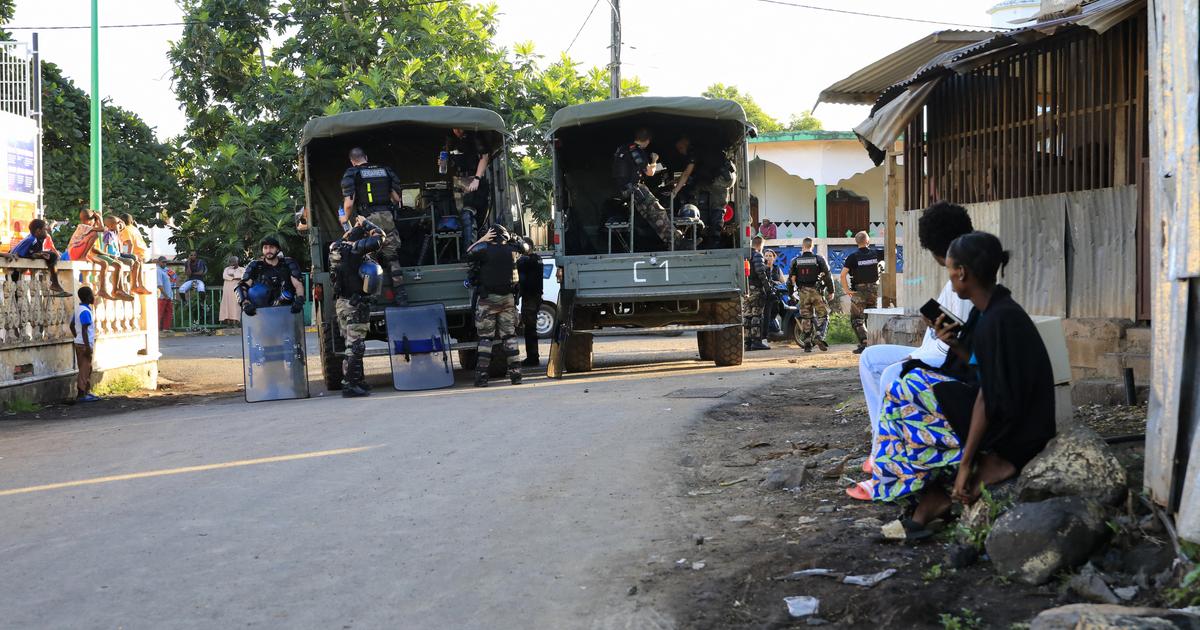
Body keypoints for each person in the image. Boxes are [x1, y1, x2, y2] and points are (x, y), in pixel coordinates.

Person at [858, 231, 1056, 532]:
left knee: (906, 389)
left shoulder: (999, 319)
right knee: (907, 382)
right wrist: (953, 342)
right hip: (1002, 409)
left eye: (950, 269)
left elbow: (988, 397)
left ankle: (940, 486)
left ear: (962, 272)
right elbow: (979, 365)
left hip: (1017, 431)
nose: (949, 277)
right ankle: (927, 491)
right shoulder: (989, 310)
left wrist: (966, 464)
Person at [852, 202, 975, 485]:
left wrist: (920, 355)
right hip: (933, 349)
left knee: (893, 373)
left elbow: (957, 339)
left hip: (951, 360)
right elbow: (945, 323)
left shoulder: (967, 273)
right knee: (870, 358)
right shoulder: (953, 274)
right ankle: (880, 445)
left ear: (936, 251)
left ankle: (893, 461)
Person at [465, 224, 530, 387]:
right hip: (508, 299)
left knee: (486, 339)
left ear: (491, 236)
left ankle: (481, 378)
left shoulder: (484, 250)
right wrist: (514, 238)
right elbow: (527, 247)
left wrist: (482, 239)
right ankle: (516, 376)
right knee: (510, 337)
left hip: (488, 300)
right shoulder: (513, 251)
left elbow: (468, 253)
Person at [341, 147, 407, 305]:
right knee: (392, 258)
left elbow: (349, 203)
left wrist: (345, 219)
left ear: (352, 161)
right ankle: (402, 298)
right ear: (366, 156)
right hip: (387, 216)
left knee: (370, 259)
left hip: (368, 219)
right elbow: (397, 198)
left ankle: (373, 300)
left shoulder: (353, 173)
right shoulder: (385, 171)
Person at [328, 216, 384, 397]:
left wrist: (354, 230)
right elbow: (380, 237)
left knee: (350, 346)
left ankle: (356, 380)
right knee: (356, 346)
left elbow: (345, 237)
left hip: (343, 302)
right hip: (353, 304)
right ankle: (351, 385)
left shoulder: (336, 248)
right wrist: (367, 224)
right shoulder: (354, 250)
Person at [612, 127, 686, 248]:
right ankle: (678, 241)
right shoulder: (637, 151)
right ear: (647, 141)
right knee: (659, 212)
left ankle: (672, 242)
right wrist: (654, 160)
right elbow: (650, 172)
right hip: (635, 189)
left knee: (650, 216)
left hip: (625, 190)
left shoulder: (623, 149)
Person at [444, 127, 494, 245]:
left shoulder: (475, 137)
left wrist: (476, 179)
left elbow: (484, 157)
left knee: (468, 214)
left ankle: (471, 249)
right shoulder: (450, 140)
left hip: (472, 178)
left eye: (460, 128)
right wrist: (443, 163)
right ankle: (468, 247)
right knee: (462, 215)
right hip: (458, 180)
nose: (458, 131)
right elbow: (450, 161)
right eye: (455, 129)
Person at [236, 236, 305, 316]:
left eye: (271, 247)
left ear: (278, 249)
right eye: (265, 248)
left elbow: (298, 284)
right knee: (256, 291)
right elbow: (242, 286)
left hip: (287, 310)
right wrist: (245, 304)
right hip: (261, 313)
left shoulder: (288, 264)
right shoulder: (255, 266)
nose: (268, 250)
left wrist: (300, 299)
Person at [788, 237, 834, 352]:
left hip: (803, 293)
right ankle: (818, 336)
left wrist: (791, 294)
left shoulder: (795, 261)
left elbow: (791, 280)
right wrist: (831, 290)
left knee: (806, 317)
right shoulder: (819, 259)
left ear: (802, 247)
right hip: (817, 291)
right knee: (823, 315)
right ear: (812, 246)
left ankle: (807, 343)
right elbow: (828, 275)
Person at [840, 231, 882, 354]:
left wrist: (847, 290)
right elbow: (892, 252)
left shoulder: (853, 257)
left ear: (856, 242)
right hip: (874, 290)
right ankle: (874, 342)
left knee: (857, 319)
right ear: (868, 241)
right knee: (872, 317)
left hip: (859, 291)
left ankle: (864, 343)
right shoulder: (876, 254)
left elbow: (843, 275)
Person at [4, 218, 70, 296]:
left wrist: (39, 255)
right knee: (15, 300)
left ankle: (55, 283)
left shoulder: (36, 239)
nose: (47, 231)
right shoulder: (31, 240)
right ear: (38, 231)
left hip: (17, 274)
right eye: (45, 229)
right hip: (14, 273)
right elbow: (18, 254)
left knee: (52, 256)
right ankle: (55, 284)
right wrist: (36, 255)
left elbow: (30, 252)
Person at [693, 144, 736, 248]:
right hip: (721, 188)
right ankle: (714, 241)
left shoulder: (711, 159)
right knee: (717, 215)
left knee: (715, 214)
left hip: (718, 186)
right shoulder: (722, 158)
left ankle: (711, 241)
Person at [70, 286, 100, 403]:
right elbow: (84, 330)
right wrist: (87, 346)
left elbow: (72, 325)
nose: (93, 296)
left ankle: (86, 391)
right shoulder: (86, 311)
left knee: (87, 368)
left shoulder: (79, 309)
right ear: (88, 297)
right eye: (92, 294)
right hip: (84, 344)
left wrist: (76, 337)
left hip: (79, 342)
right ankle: (81, 394)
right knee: (85, 369)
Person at [516, 237, 543, 367]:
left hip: (531, 297)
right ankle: (532, 357)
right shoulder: (534, 259)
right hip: (531, 297)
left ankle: (533, 357)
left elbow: (522, 264)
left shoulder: (532, 260)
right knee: (529, 328)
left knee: (530, 328)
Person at [745, 236, 774, 351]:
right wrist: (768, 289)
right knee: (756, 315)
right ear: (760, 245)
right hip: (756, 288)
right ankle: (756, 341)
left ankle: (747, 342)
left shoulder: (745, 255)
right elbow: (761, 273)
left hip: (746, 289)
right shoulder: (757, 255)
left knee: (747, 315)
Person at [117, 214, 153, 295]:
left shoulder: (125, 229)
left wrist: (129, 256)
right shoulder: (134, 228)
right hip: (144, 253)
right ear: (132, 221)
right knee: (136, 263)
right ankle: (138, 285)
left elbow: (130, 244)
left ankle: (138, 285)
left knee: (135, 262)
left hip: (139, 254)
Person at [219, 255, 245, 325]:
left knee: (236, 305)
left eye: (234, 261)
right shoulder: (226, 269)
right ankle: (228, 322)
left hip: (237, 290)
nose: (232, 263)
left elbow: (243, 277)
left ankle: (236, 321)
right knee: (227, 305)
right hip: (227, 291)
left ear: (237, 262)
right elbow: (225, 276)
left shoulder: (242, 269)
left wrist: (233, 276)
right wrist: (235, 277)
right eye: (231, 262)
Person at [156, 256, 175, 331]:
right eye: (163, 262)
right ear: (159, 262)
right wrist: (165, 295)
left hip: (168, 296)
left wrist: (168, 296)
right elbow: (159, 285)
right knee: (159, 314)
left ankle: (166, 328)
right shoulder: (158, 271)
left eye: (165, 262)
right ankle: (156, 329)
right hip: (162, 296)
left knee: (168, 313)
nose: (165, 263)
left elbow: (173, 275)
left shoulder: (165, 270)